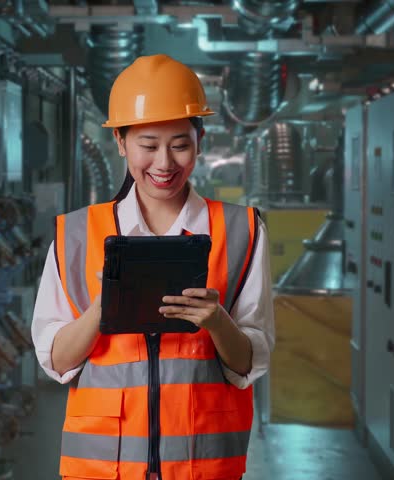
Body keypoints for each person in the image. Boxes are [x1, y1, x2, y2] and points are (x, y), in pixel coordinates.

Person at [31, 54, 275, 480]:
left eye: (180, 144)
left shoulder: (243, 230)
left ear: (200, 141)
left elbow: (248, 363)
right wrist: (100, 312)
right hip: (102, 469)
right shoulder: (76, 233)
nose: (164, 164)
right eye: (148, 145)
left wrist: (217, 321)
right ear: (121, 143)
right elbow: (55, 360)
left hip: (204, 466)